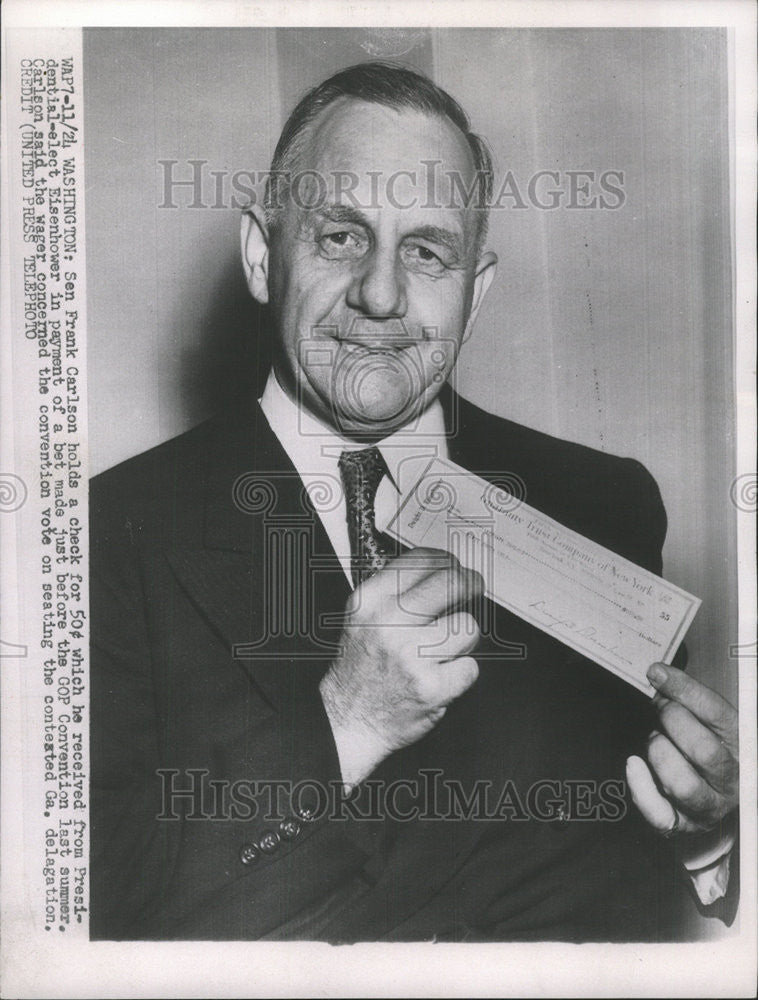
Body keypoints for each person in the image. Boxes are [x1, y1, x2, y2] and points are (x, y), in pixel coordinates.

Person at [90, 62, 738, 941]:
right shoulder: (105, 536)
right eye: (341, 238)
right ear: (259, 255)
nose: (383, 295)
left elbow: (616, 873)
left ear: (475, 297)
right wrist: (345, 720)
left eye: (427, 252)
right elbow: (87, 921)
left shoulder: (601, 503)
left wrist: (709, 836)